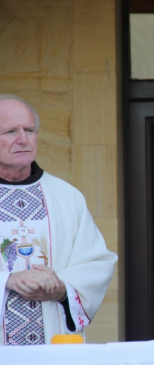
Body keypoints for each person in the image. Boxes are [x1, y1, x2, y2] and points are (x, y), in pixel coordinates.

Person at [0, 94, 117, 345]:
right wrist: (7, 281)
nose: (23, 139)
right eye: (10, 131)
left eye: (29, 130)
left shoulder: (66, 197)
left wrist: (63, 288)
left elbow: (97, 262)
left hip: (53, 347)